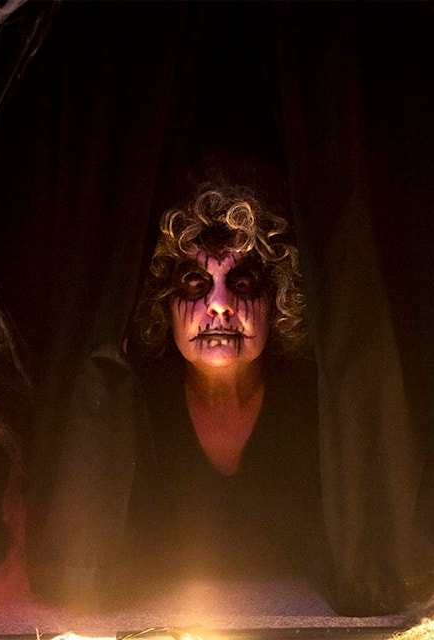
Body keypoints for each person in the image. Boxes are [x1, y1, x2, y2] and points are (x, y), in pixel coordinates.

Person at [124, 184, 327, 590]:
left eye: (244, 282)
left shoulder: (318, 407)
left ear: (279, 300)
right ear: (164, 301)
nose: (220, 305)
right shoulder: (135, 409)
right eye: (195, 282)